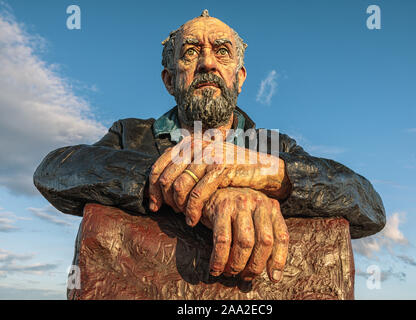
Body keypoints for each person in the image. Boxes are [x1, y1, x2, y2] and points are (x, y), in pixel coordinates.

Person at [34, 10, 385, 284]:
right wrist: (192, 183)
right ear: (170, 80)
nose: (207, 63)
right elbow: (54, 170)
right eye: (190, 53)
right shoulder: (131, 135)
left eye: (221, 52)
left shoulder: (275, 147)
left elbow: (369, 207)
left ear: (240, 77)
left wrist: (269, 174)